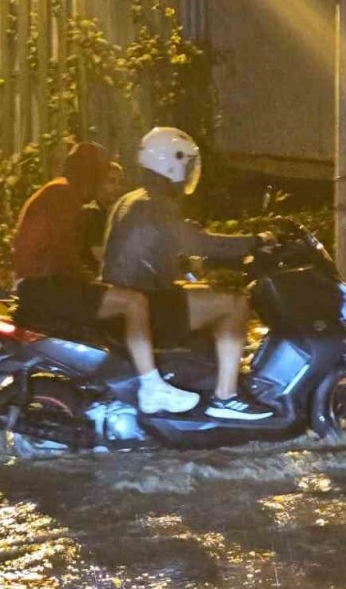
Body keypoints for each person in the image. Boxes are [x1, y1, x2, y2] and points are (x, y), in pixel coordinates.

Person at [12, 141, 199, 414]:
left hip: (42, 285)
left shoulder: (59, 193)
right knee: (133, 303)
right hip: (46, 287)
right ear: (90, 175)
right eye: (101, 177)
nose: (102, 185)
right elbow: (60, 252)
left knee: (123, 301)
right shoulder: (62, 195)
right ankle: (152, 387)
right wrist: (90, 284)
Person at [102, 127, 274, 421]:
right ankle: (226, 397)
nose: (192, 172)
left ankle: (204, 374)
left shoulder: (134, 199)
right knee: (235, 303)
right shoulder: (153, 205)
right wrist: (255, 241)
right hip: (145, 302)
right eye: (189, 164)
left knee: (206, 291)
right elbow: (198, 243)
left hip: (131, 296)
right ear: (173, 163)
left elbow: (164, 247)